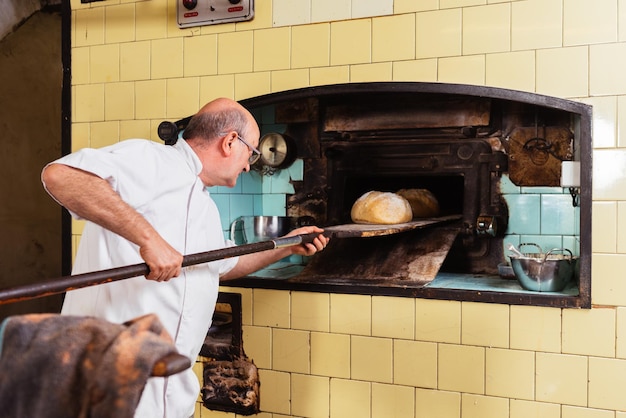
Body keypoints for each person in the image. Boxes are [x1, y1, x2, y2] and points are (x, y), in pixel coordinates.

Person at [40, 97, 329, 418]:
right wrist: (149, 240)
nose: (249, 165)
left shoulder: (204, 205)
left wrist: (288, 246)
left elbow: (224, 266)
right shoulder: (152, 160)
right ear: (230, 141)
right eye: (252, 152)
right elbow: (62, 176)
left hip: (168, 396)